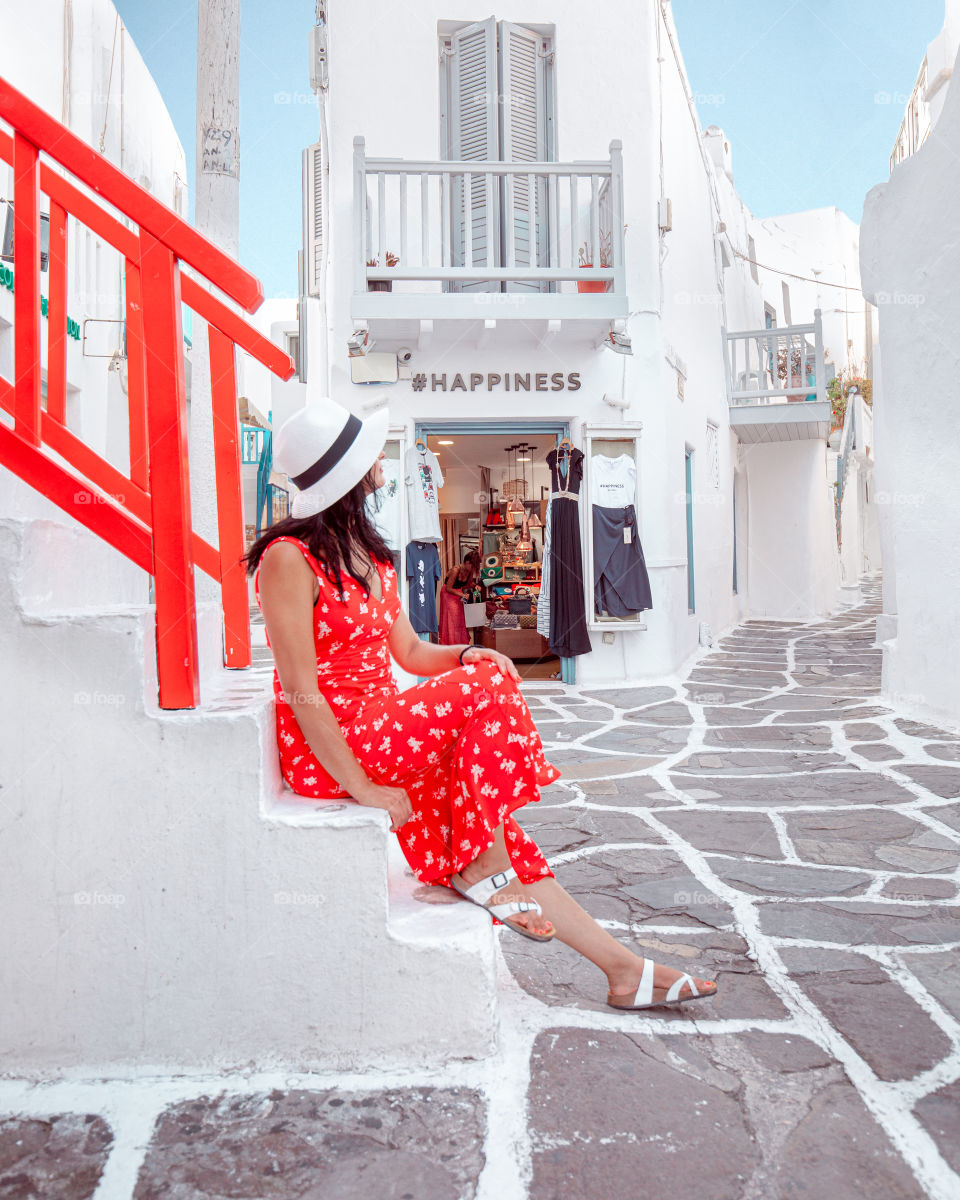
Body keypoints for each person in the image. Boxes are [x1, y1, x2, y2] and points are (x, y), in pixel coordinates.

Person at [245, 400, 719, 1011]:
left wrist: (467, 656)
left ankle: (622, 969)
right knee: (490, 706)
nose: (381, 468)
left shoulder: (371, 554)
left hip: (383, 727)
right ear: (349, 476)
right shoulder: (289, 559)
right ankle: (479, 870)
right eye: (370, 458)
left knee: (495, 750)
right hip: (332, 747)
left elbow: (412, 652)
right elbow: (301, 690)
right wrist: (363, 787)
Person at [439, 550, 480, 645]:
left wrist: (475, 586)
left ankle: (459, 643)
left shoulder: (469, 572)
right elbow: (449, 588)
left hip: (458, 593)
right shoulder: (455, 570)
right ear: (467, 562)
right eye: (472, 565)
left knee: (460, 619)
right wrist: (462, 595)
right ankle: (450, 643)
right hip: (447, 594)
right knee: (452, 618)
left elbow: (467, 584)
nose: (473, 568)